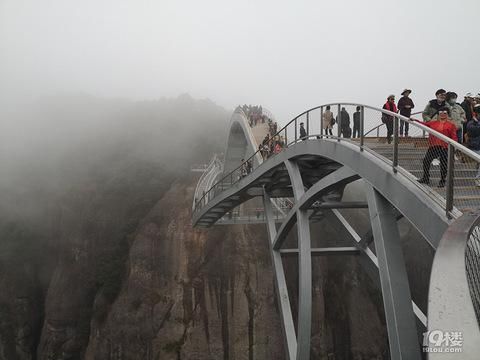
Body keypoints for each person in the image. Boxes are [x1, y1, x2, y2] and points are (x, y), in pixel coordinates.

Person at [417, 106, 458, 187]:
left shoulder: (451, 125)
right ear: (438, 114)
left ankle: (442, 180)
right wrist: (415, 120)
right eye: (440, 113)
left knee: (444, 164)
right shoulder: (433, 123)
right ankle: (426, 178)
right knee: (426, 161)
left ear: (448, 115)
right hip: (433, 146)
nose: (442, 114)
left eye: (445, 113)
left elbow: (454, 137)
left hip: (445, 147)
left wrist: (454, 147)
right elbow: (423, 124)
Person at [466, 116, 480, 186]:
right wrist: (477, 123)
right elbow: (474, 131)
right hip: (475, 148)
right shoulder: (471, 123)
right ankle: (478, 179)